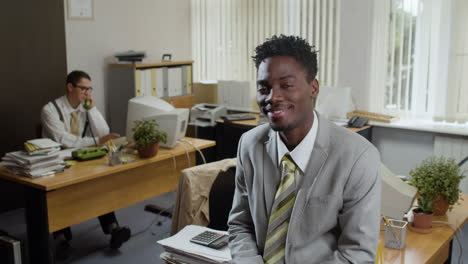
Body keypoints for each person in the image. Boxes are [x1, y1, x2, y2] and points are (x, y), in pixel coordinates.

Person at [228, 35, 381, 264]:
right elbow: (241, 225)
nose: (273, 97)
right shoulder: (249, 145)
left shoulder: (358, 157)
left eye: (286, 85)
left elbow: (356, 254)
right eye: (264, 87)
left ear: (313, 88)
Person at [41, 70, 131, 257]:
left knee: (98, 183)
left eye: (90, 89)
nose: (87, 93)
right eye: (84, 89)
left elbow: (104, 132)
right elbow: (64, 139)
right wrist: (97, 141)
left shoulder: (85, 107)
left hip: (81, 158)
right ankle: (61, 239)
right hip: (57, 161)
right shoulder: (50, 109)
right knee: (61, 193)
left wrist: (91, 109)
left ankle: (114, 229)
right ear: (70, 87)